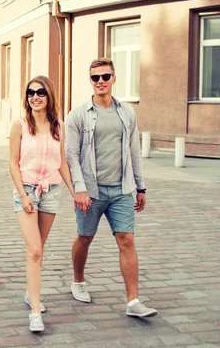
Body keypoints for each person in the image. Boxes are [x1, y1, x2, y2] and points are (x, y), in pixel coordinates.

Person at [65, 57, 156, 318]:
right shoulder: (79, 114)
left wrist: (141, 187)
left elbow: (134, 150)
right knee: (85, 238)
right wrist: (79, 190)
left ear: (114, 78)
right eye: (96, 77)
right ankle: (78, 281)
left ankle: (133, 301)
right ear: (90, 81)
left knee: (126, 240)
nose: (101, 82)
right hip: (91, 191)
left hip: (121, 190)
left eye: (106, 76)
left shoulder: (126, 112)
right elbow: (71, 154)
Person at [9, 75, 75, 332]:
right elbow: (13, 163)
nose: (34, 96)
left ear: (49, 96)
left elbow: (62, 163)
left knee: (39, 247)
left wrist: (75, 192)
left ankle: (30, 292)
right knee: (34, 249)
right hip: (26, 190)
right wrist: (23, 196)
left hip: (51, 191)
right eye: (30, 92)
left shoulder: (59, 125)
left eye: (40, 92)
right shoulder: (20, 125)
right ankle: (36, 312)